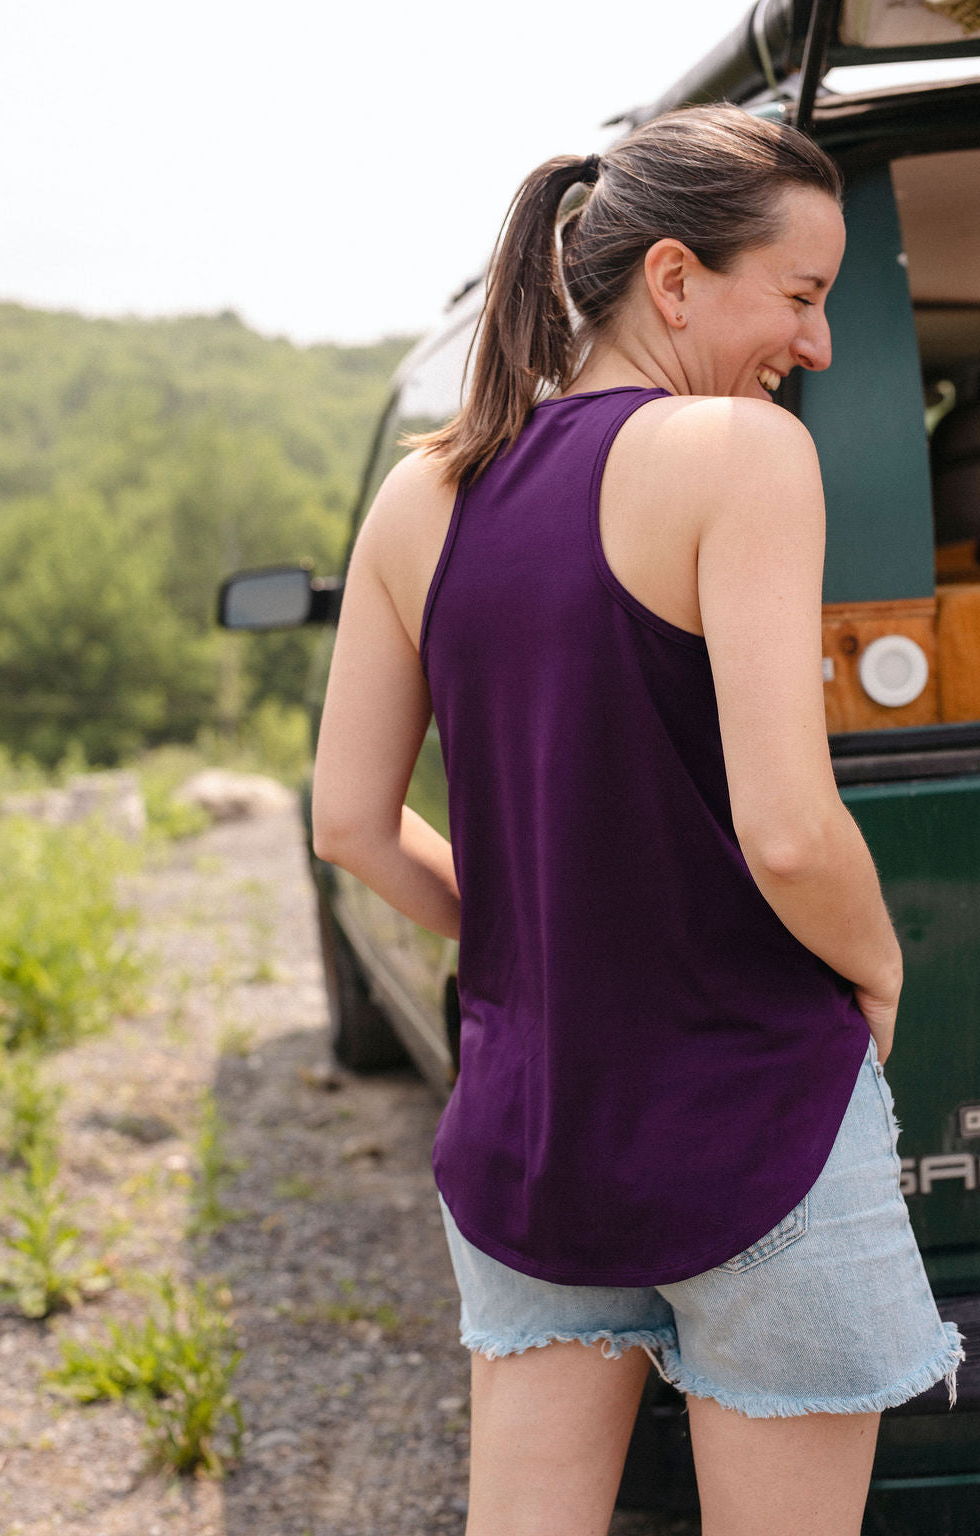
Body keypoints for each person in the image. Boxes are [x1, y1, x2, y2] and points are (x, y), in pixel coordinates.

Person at [311, 104, 962, 1536]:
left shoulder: (423, 494)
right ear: (674, 280)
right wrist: (880, 966)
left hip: (531, 1129)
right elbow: (787, 832)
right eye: (799, 296)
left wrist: (544, 944)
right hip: (756, 1112)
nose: (821, 345)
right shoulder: (736, 455)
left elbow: (352, 824)